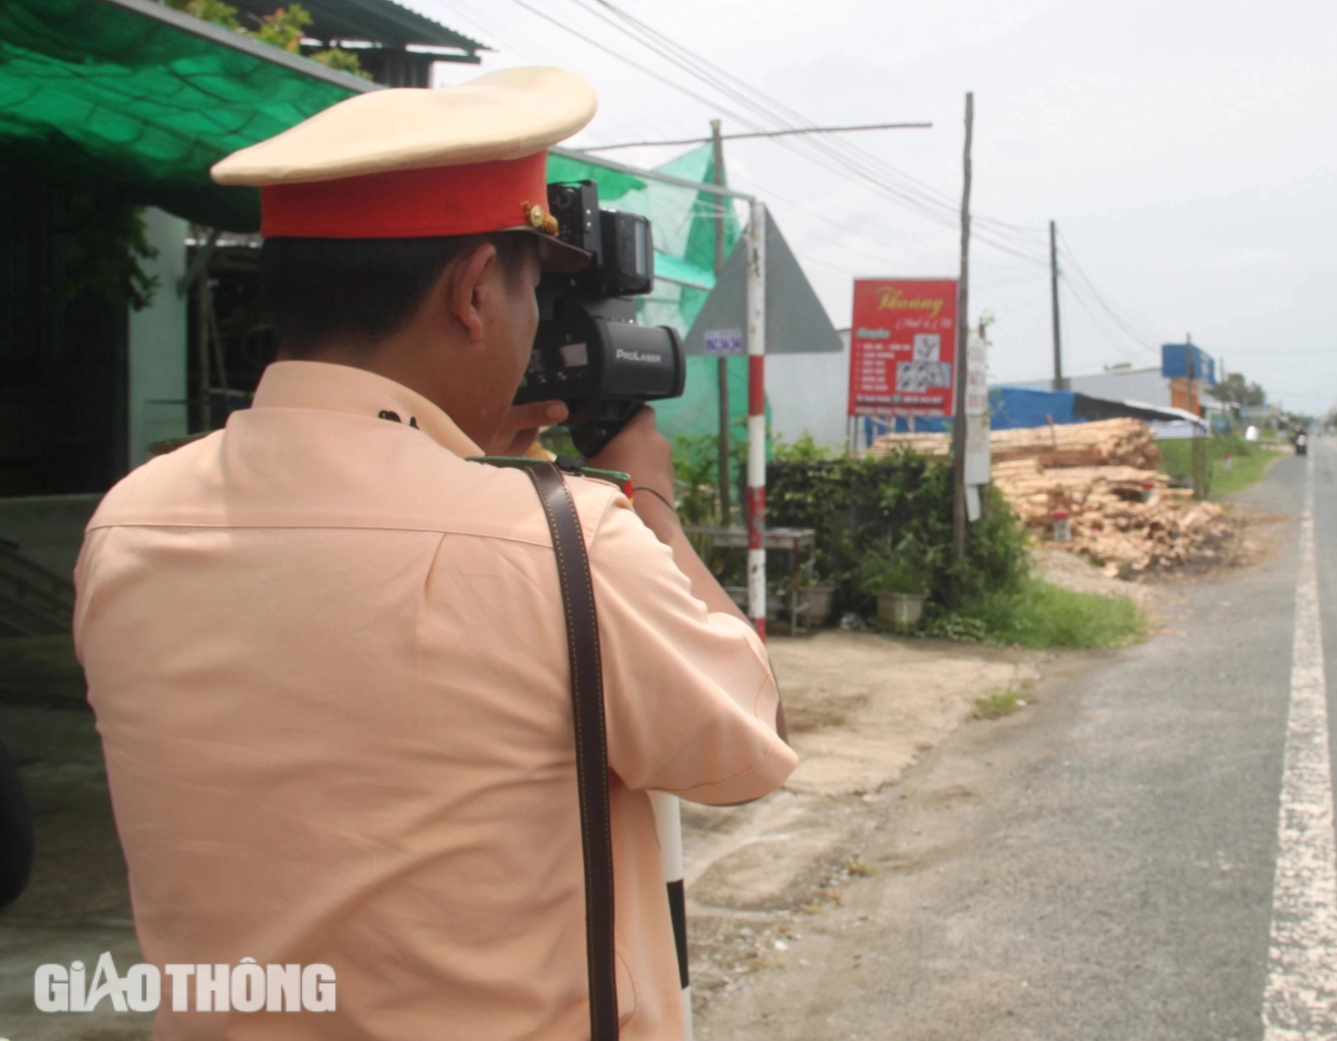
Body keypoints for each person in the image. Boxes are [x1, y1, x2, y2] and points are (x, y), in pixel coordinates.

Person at [73, 68, 795, 1039]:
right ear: (470, 294)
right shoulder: (561, 538)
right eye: (531, 288)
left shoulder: (128, 524)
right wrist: (646, 500)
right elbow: (745, 747)